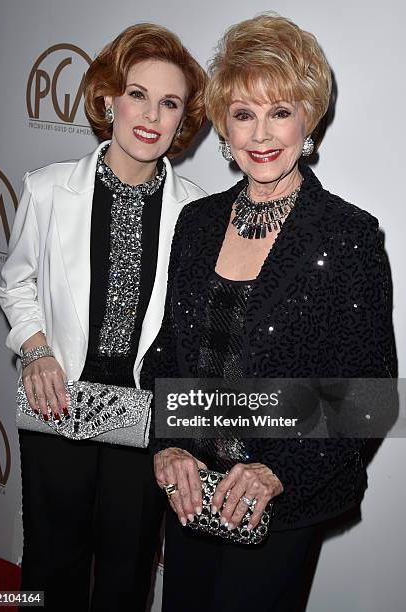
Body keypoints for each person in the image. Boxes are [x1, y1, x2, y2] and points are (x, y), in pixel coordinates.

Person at [141, 13, 396, 612]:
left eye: (280, 111)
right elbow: (169, 354)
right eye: (243, 113)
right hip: (192, 491)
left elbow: (369, 396)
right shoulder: (197, 224)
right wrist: (169, 444)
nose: (261, 133)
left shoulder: (346, 235)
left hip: (278, 502)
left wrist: (276, 469)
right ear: (223, 126)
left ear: (308, 119)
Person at [0, 23, 206, 612]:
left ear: (183, 119)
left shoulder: (198, 212)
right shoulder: (47, 189)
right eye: (138, 94)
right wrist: (36, 350)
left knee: (127, 573)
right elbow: (16, 283)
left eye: (170, 103)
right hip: (58, 401)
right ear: (110, 98)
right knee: (48, 565)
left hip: (144, 416)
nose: (150, 115)